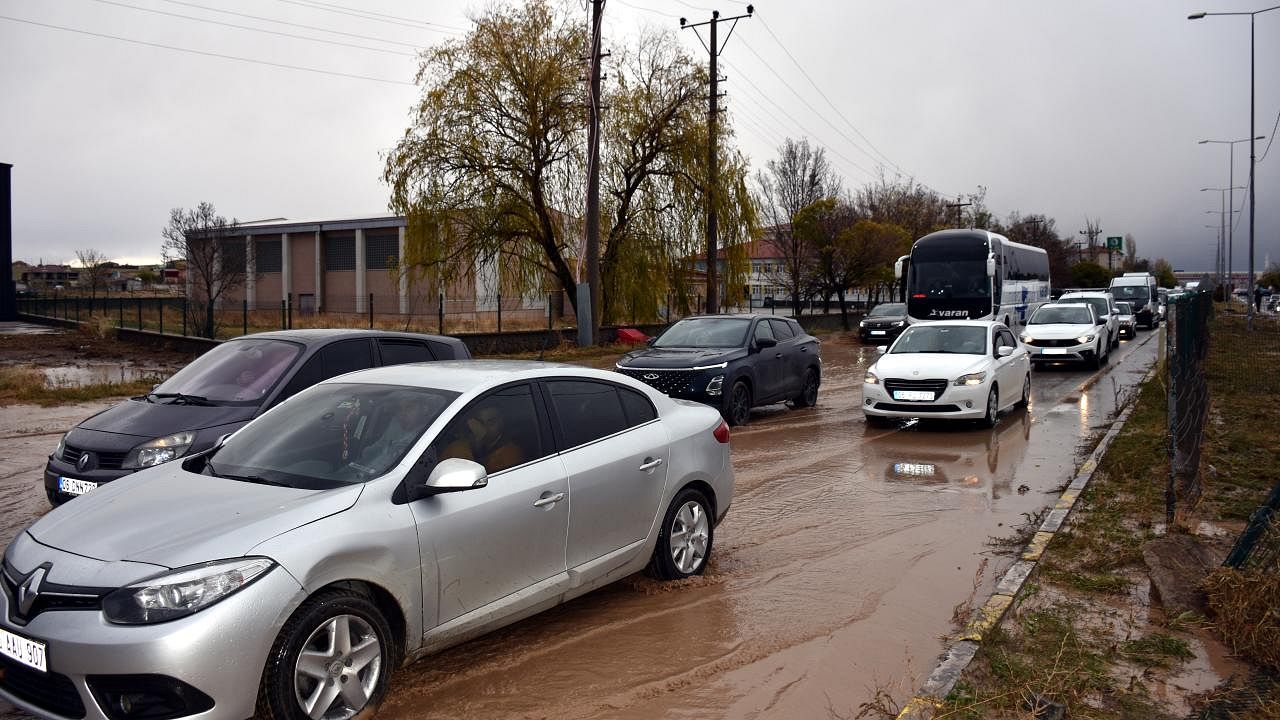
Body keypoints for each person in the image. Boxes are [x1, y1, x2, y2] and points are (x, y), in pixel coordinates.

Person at [440, 404, 523, 474]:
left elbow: (486, 481)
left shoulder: (510, 452)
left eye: (491, 422)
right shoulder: (457, 447)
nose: (485, 427)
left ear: (501, 422)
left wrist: (478, 448)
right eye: (480, 422)